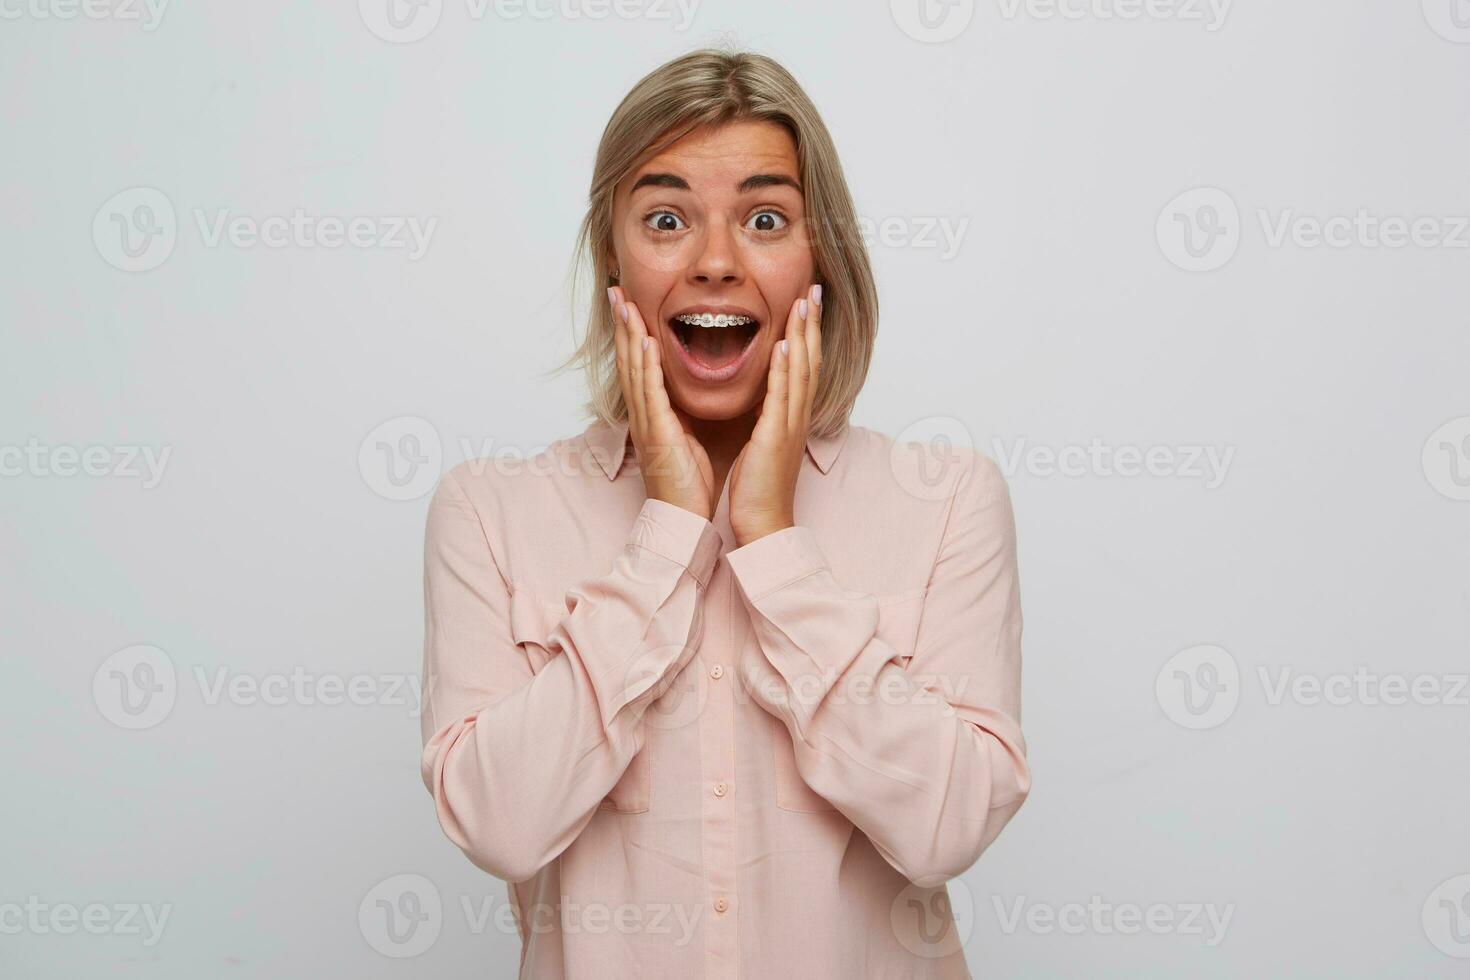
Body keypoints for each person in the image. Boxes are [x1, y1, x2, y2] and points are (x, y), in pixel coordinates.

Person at [418, 47, 1031, 980]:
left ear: (820, 252)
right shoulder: (489, 511)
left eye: (764, 219)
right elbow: (500, 828)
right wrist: (666, 532)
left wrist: (777, 545)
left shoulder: (949, 503)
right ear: (612, 258)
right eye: (666, 219)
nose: (714, 262)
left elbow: (944, 828)